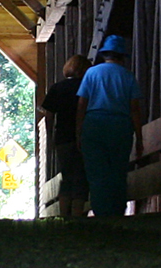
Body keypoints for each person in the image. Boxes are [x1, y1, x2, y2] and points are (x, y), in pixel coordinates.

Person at [76, 35, 143, 217]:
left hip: (94, 125)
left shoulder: (91, 73)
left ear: (105, 54)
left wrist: (79, 132)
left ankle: (101, 214)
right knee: (118, 171)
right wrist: (139, 139)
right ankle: (117, 213)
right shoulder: (128, 76)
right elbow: (134, 109)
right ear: (122, 56)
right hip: (120, 126)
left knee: (97, 173)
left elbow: (82, 105)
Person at [38, 55, 90, 218]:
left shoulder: (57, 88)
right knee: (82, 175)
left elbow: (49, 115)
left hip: (63, 138)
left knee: (67, 175)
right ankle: (77, 214)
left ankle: (63, 215)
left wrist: (51, 136)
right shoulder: (88, 87)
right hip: (85, 136)